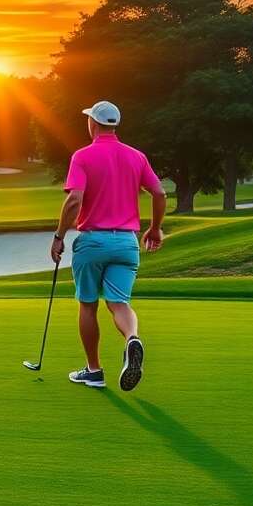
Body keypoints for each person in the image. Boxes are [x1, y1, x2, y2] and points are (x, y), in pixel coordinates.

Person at [51, 100, 165, 392]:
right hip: (126, 243)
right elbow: (159, 192)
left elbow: (74, 200)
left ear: (92, 123)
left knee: (88, 305)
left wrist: (59, 236)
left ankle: (94, 371)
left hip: (93, 241)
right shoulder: (137, 156)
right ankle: (132, 338)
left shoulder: (82, 156)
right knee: (118, 303)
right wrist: (155, 228)